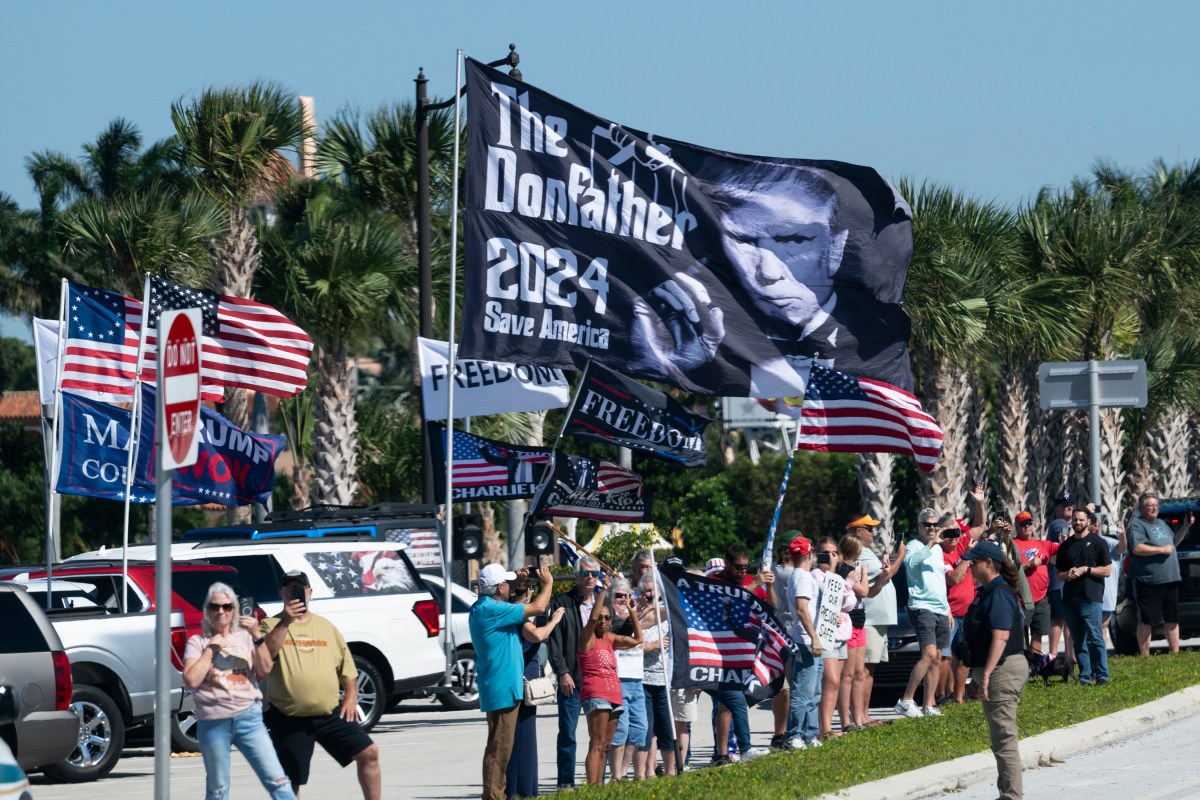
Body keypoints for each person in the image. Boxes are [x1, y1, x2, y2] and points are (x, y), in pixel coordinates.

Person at [628, 162, 909, 396]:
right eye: (745, 240)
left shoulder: (868, 345)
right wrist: (657, 362)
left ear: (836, 246)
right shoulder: (696, 331)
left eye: (795, 240)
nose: (768, 272)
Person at [260, 571, 380, 800]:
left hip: (329, 713)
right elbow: (267, 657)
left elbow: (347, 668)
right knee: (289, 779)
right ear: (282, 593)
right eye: (289, 588)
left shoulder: (326, 627)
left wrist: (351, 696)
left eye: (300, 588)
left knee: (369, 753)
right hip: (289, 716)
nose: (294, 592)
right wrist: (286, 620)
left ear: (309, 592)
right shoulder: (270, 624)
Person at [183, 582, 295, 800]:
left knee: (278, 780)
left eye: (226, 606)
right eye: (214, 607)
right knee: (218, 790)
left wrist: (257, 635)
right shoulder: (198, 642)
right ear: (207, 610)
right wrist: (211, 651)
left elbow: (265, 669)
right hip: (214, 722)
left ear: (234, 609)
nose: (221, 612)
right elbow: (191, 680)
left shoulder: (244, 637)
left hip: (249, 719)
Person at [467, 564, 555, 800]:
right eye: (505, 583)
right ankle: (494, 796)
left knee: (498, 746)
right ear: (498, 588)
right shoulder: (495, 609)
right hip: (503, 687)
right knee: (500, 748)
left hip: (497, 686)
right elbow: (538, 606)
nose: (509, 586)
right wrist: (548, 583)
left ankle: (496, 793)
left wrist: (516, 575)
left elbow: (509, 596)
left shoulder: (481, 607)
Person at [960, 541, 1027, 800]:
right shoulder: (989, 590)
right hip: (996, 668)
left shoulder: (998, 593)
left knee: (1004, 738)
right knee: (1000, 737)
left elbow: (1000, 636)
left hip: (1001, 669)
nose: (970, 566)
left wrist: (985, 675)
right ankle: (1007, 793)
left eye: (974, 562)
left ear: (988, 564)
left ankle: (1011, 796)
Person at [706, 545, 772, 763]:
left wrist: (769, 586)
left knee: (736, 701)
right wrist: (754, 585)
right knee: (727, 703)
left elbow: (772, 608)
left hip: (745, 653)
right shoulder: (716, 584)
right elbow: (730, 605)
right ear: (727, 564)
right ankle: (724, 752)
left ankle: (735, 750)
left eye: (746, 567)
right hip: (720, 653)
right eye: (738, 567)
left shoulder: (754, 580)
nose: (743, 571)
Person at [504, 570, 565, 799]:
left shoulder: (512, 612)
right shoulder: (519, 616)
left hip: (523, 677)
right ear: (529, 593)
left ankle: (524, 788)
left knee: (523, 737)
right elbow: (537, 636)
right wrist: (554, 621)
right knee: (523, 738)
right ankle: (522, 790)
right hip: (523, 680)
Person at [578, 576, 643, 785]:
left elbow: (638, 640)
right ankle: (593, 789)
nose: (604, 621)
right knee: (596, 744)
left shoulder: (610, 638)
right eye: (601, 618)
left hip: (614, 693)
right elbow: (592, 618)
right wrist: (604, 591)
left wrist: (632, 612)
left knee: (606, 745)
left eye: (608, 618)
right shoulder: (587, 638)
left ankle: (600, 787)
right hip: (596, 693)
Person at [546, 556, 602, 789]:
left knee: (599, 737)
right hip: (573, 679)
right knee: (568, 734)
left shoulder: (602, 602)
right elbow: (554, 642)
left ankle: (596, 781)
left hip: (597, 680)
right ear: (576, 575)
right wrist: (563, 672)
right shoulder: (562, 602)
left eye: (594, 574)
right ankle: (565, 782)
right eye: (586, 573)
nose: (590, 578)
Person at [894, 509, 953, 718]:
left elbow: (939, 582)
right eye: (927, 524)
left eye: (935, 524)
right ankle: (906, 700)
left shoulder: (937, 550)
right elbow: (910, 563)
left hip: (939, 607)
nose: (932, 528)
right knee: (928, 654)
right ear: (919, 526)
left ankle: (928, 705)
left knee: (937, 657)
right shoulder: (914, 546)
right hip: (922, 606)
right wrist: (931, 542)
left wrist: (948, 609)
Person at [849, 515, 901, 727]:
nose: (873, 532)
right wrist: (901, 557)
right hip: (869, 619)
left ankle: (864, 714)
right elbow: (886, 575)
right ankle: (858, 716)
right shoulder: (859, 553)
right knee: (862, 670)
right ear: (859, 530)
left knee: (870, 670)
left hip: (879, 620)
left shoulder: (868, 552)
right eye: (869, 528)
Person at [1127, 492, 1193, 654]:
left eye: (1156, 506)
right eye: (1150, 506)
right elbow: (1137, 548)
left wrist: (1185, 526)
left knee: (1172, 618)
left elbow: (1174, 542)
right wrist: (1161, 550)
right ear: (1141, 508)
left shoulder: (1162, 524)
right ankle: (1145, 656)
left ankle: (1175, 652)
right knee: (1146, 620)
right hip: (1149, 580)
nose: (1154, 509)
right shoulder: (1137, 525)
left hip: (1170, 578)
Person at [1055, 509, 1112, 685]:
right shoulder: (1065, 546)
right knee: (1078, 640)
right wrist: (1068, 574)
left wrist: (1086, 569)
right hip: (1070, 600)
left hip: (1091, 598)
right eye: (1075, 519)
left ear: (1088, 521)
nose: (1078, 522)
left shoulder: (1098, 543)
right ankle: (1085, 676)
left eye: (1081, 519)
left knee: (1095, 637)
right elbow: (1058, 574)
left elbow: (1107, 570)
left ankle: (1101, 675)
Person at [814, 537, 856, 740]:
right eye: (824, 554)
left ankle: (827, 726)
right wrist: (831, 571)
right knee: (829, 680)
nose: (828, 558)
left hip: (841, 634)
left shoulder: (838, 576)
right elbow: (825, 595)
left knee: (836, 682)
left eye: (833, 553)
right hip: (824, 635)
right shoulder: (815, 575)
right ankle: (824, 729)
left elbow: (850, 602)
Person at [606, 578, 646, 782]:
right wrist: (632, 615)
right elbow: (623, 633)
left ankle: (622, 772)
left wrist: (636, 611)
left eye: (627, 595)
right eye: (618, 595)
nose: (623, 599)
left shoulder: (636, 615)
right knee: (620, 731)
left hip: (637, 678)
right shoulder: (608, 618)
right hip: (618, 679)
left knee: (639, 730)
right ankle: (616, 775)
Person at [636, 572, 676, 777]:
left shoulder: (667, 613)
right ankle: (644, 773)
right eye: (646, 590)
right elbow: (627, 642)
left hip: (664, 682)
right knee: (645, 731)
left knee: (667, 731)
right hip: (643, 681)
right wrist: (650, 646)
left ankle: (671, 772)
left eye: (653, 590)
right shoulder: (635, 614)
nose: (649, 594)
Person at [784, 536, 822, 748]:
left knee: (814, 691)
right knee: (803, 691)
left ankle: (809, 734)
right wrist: (814, 637)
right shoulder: (802, 578)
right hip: (807, 641)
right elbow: (801, 609)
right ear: (809, 554)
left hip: (811, 639)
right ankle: (795, 735)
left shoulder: (801, 576)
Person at [1013, 510, 1058, 655]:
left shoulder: (1042, 544)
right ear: (1017, 527)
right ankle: (1022, 665)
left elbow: (1064, 548)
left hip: (1041, 598)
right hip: (1022, 599)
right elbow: (1008, 568)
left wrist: (1065, 538)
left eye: (1029, 523)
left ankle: (1036, 666)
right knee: (1020, 634)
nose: (1027, 527)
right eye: (1023, 524)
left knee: (1038, 633)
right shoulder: (1012, 545)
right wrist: (1029, 564)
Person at [1046, 493, 1074, 665]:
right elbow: (1069, 538)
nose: (1068, 507)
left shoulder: (1071, 523)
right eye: (1064, 505)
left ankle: (1071, 656)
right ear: (1057, 509)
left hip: (1068, 580)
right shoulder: (1058, 524)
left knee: (1069, 619)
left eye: (1070, 505)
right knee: (1058, 619)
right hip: (1057, 581)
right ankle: (1053, 655)